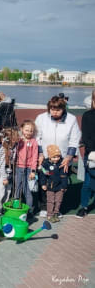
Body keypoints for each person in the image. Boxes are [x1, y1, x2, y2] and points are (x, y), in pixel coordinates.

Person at [35, 96, 81, 217]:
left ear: (63, 109)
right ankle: (44, 207)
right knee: (44, 182)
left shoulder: (71, 119)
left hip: (63, 159)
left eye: (58, 110)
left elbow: (74, 139)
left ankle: (57, 209)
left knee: (60, 183)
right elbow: (37, 137)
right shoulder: (41, 118)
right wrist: (40, 153)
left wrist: (69, 157)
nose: (54, 112)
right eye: (52, 109)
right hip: (45, 158)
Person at [76, 89, 95, 218]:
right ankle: (84, 206)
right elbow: (86, 137)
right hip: (92, 154)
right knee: (88, 183)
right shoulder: (88, 115)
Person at [0, 128, 19, 215]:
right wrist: (4, 178)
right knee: (0, 191)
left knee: (8, 191)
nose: (16, 140)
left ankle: (4, 206)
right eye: (14, 138)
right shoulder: (3, 150)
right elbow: (1, 165)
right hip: (2, 172)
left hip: (9, 172)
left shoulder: (14, 148)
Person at [14, 120, 38, 214]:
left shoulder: (34, 142)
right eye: (27, 130)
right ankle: (16, 207)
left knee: (27, 190)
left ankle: (29, 211)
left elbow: (35, 157)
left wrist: (33, 171)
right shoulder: (18, 140)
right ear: (22, 129)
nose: (29, 132)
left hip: (28, 169)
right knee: (17, 188)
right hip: (18, 167)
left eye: (31, 131)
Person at [40, 145, 68, 223]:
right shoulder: (46, 164)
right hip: (50, 186)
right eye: (54, 157)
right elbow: (43, 174)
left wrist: (64, 186)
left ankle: (56, 213)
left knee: (58, 201)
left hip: (60, 187)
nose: (56, 159)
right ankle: (49, 214)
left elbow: (64, 175)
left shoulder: (61, 163)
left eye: (58, 157)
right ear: (49, 156)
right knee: (50, 201)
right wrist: (43, 184)